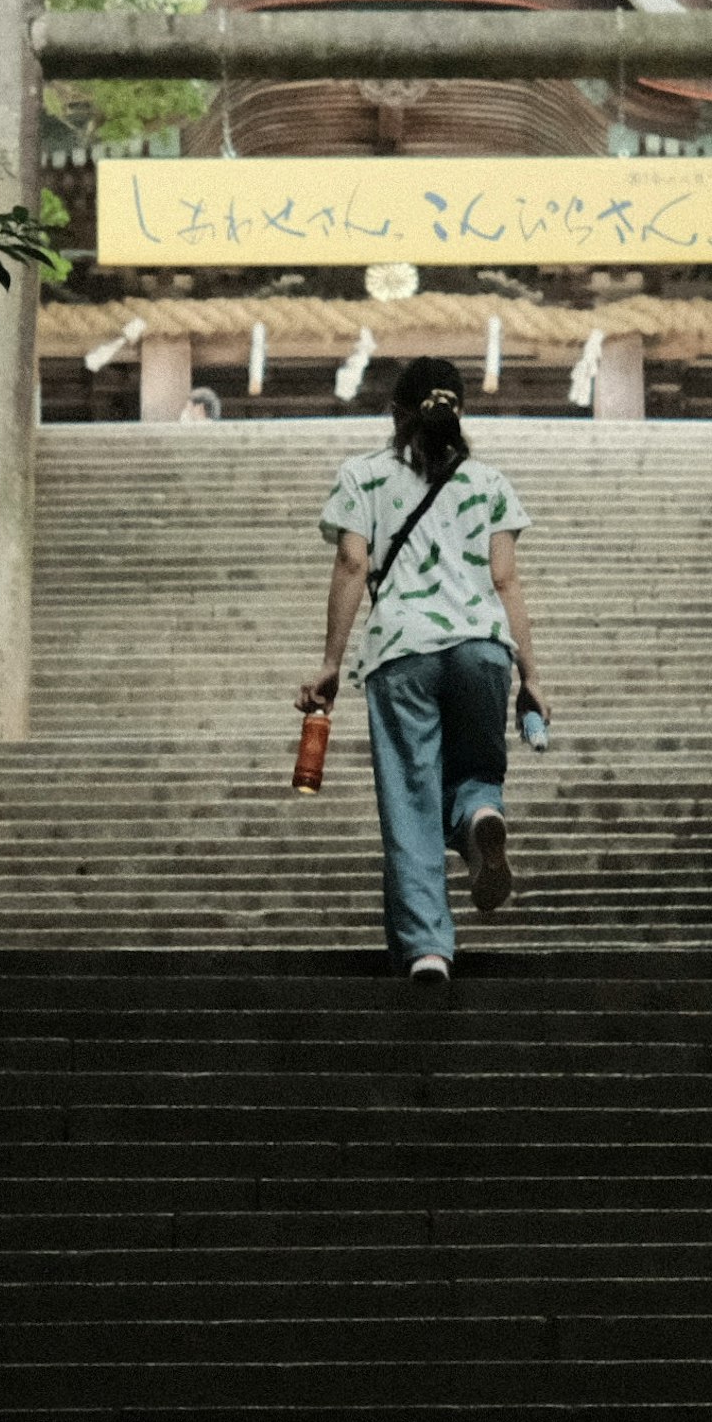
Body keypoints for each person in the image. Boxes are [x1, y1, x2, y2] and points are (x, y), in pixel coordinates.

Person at [295, 357, 545, 983]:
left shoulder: (363, 477)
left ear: (396, 413)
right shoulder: (489, 483)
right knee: (476, 771)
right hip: (483, 648)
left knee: (410, 799)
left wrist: (330, 661)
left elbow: (353, 566)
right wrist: (531, 675)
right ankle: (480, 814)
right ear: (458, 410)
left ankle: (429, 948)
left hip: (402, 652)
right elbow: (506, 580)